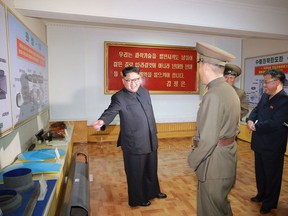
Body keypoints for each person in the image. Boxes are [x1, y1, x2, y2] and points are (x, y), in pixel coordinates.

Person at [92, 66, 167, 207]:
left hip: (150, 138)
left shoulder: (145, 92)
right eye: (129, 80)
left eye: (136, 79)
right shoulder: (119, 97)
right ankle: (138, 199)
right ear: (123, 80)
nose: (133, 83)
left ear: (140, 78)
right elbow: (111, 111)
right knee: (135, 173)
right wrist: (102, 121)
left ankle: (152, 191)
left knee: (151, 169)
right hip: (134, 142)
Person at [188, 42, 240, 216]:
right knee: (220, 206)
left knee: (210, 210)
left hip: (213, 162)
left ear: (204, 65)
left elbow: (208, 139)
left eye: (199, 65)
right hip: (226, 156)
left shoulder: (214, 94)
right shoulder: (228, 90)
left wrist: (192, 160)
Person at [246, 69, 288, 214]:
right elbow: (256, 110)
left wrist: (255, 126)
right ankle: (261, 194)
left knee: (272, 175)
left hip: (273, 146)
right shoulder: (265, 95)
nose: (264, 85)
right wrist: (250, 119)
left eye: (266, 82)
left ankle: (269, 202)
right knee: (261, 172)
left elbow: (275, 123)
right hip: (259, 143)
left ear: (277, 82)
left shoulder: (284, 101)